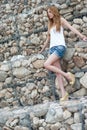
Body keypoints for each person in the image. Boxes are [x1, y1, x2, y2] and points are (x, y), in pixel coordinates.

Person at [39, 5, 87, 101]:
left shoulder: (61, 20)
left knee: (46, 64)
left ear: (54, 12)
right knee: (57, 73)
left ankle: (68, 75)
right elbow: (48, 39)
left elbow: (71, 28)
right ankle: (64, 95)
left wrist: (82, 36)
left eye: (50, 12)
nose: (49, 14)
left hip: (60, 47)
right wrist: (41, 50)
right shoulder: (50, 25)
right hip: (52, 49)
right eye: (48, 12)